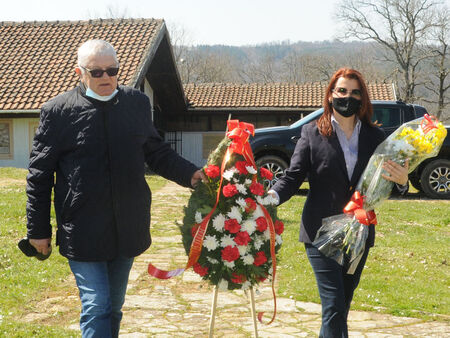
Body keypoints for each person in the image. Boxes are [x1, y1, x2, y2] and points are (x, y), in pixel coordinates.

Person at [25, 39, 205, 338]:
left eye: (112, 70)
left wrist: (191, 174)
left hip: (128, 226)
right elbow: (39, 176)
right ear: (79, 72)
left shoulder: (136, 104)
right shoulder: (57, 112)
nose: (106, 77)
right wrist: (38, 229)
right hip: (82, 229)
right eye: (96, 72)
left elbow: (156, 152)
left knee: (114, 306)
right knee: (97, 306)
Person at [270, 68, 409, 338]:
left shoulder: (376, 137)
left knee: (340, 307)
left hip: (358, 232)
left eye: (355, 92)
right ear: (331, 95)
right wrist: (271, 197)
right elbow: (293, 176)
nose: (348, 97)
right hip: (320, 232)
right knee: (333, 305)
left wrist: (402, 180)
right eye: (342, 91)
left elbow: (390, 183)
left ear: (363, 98)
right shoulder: (311, 133)